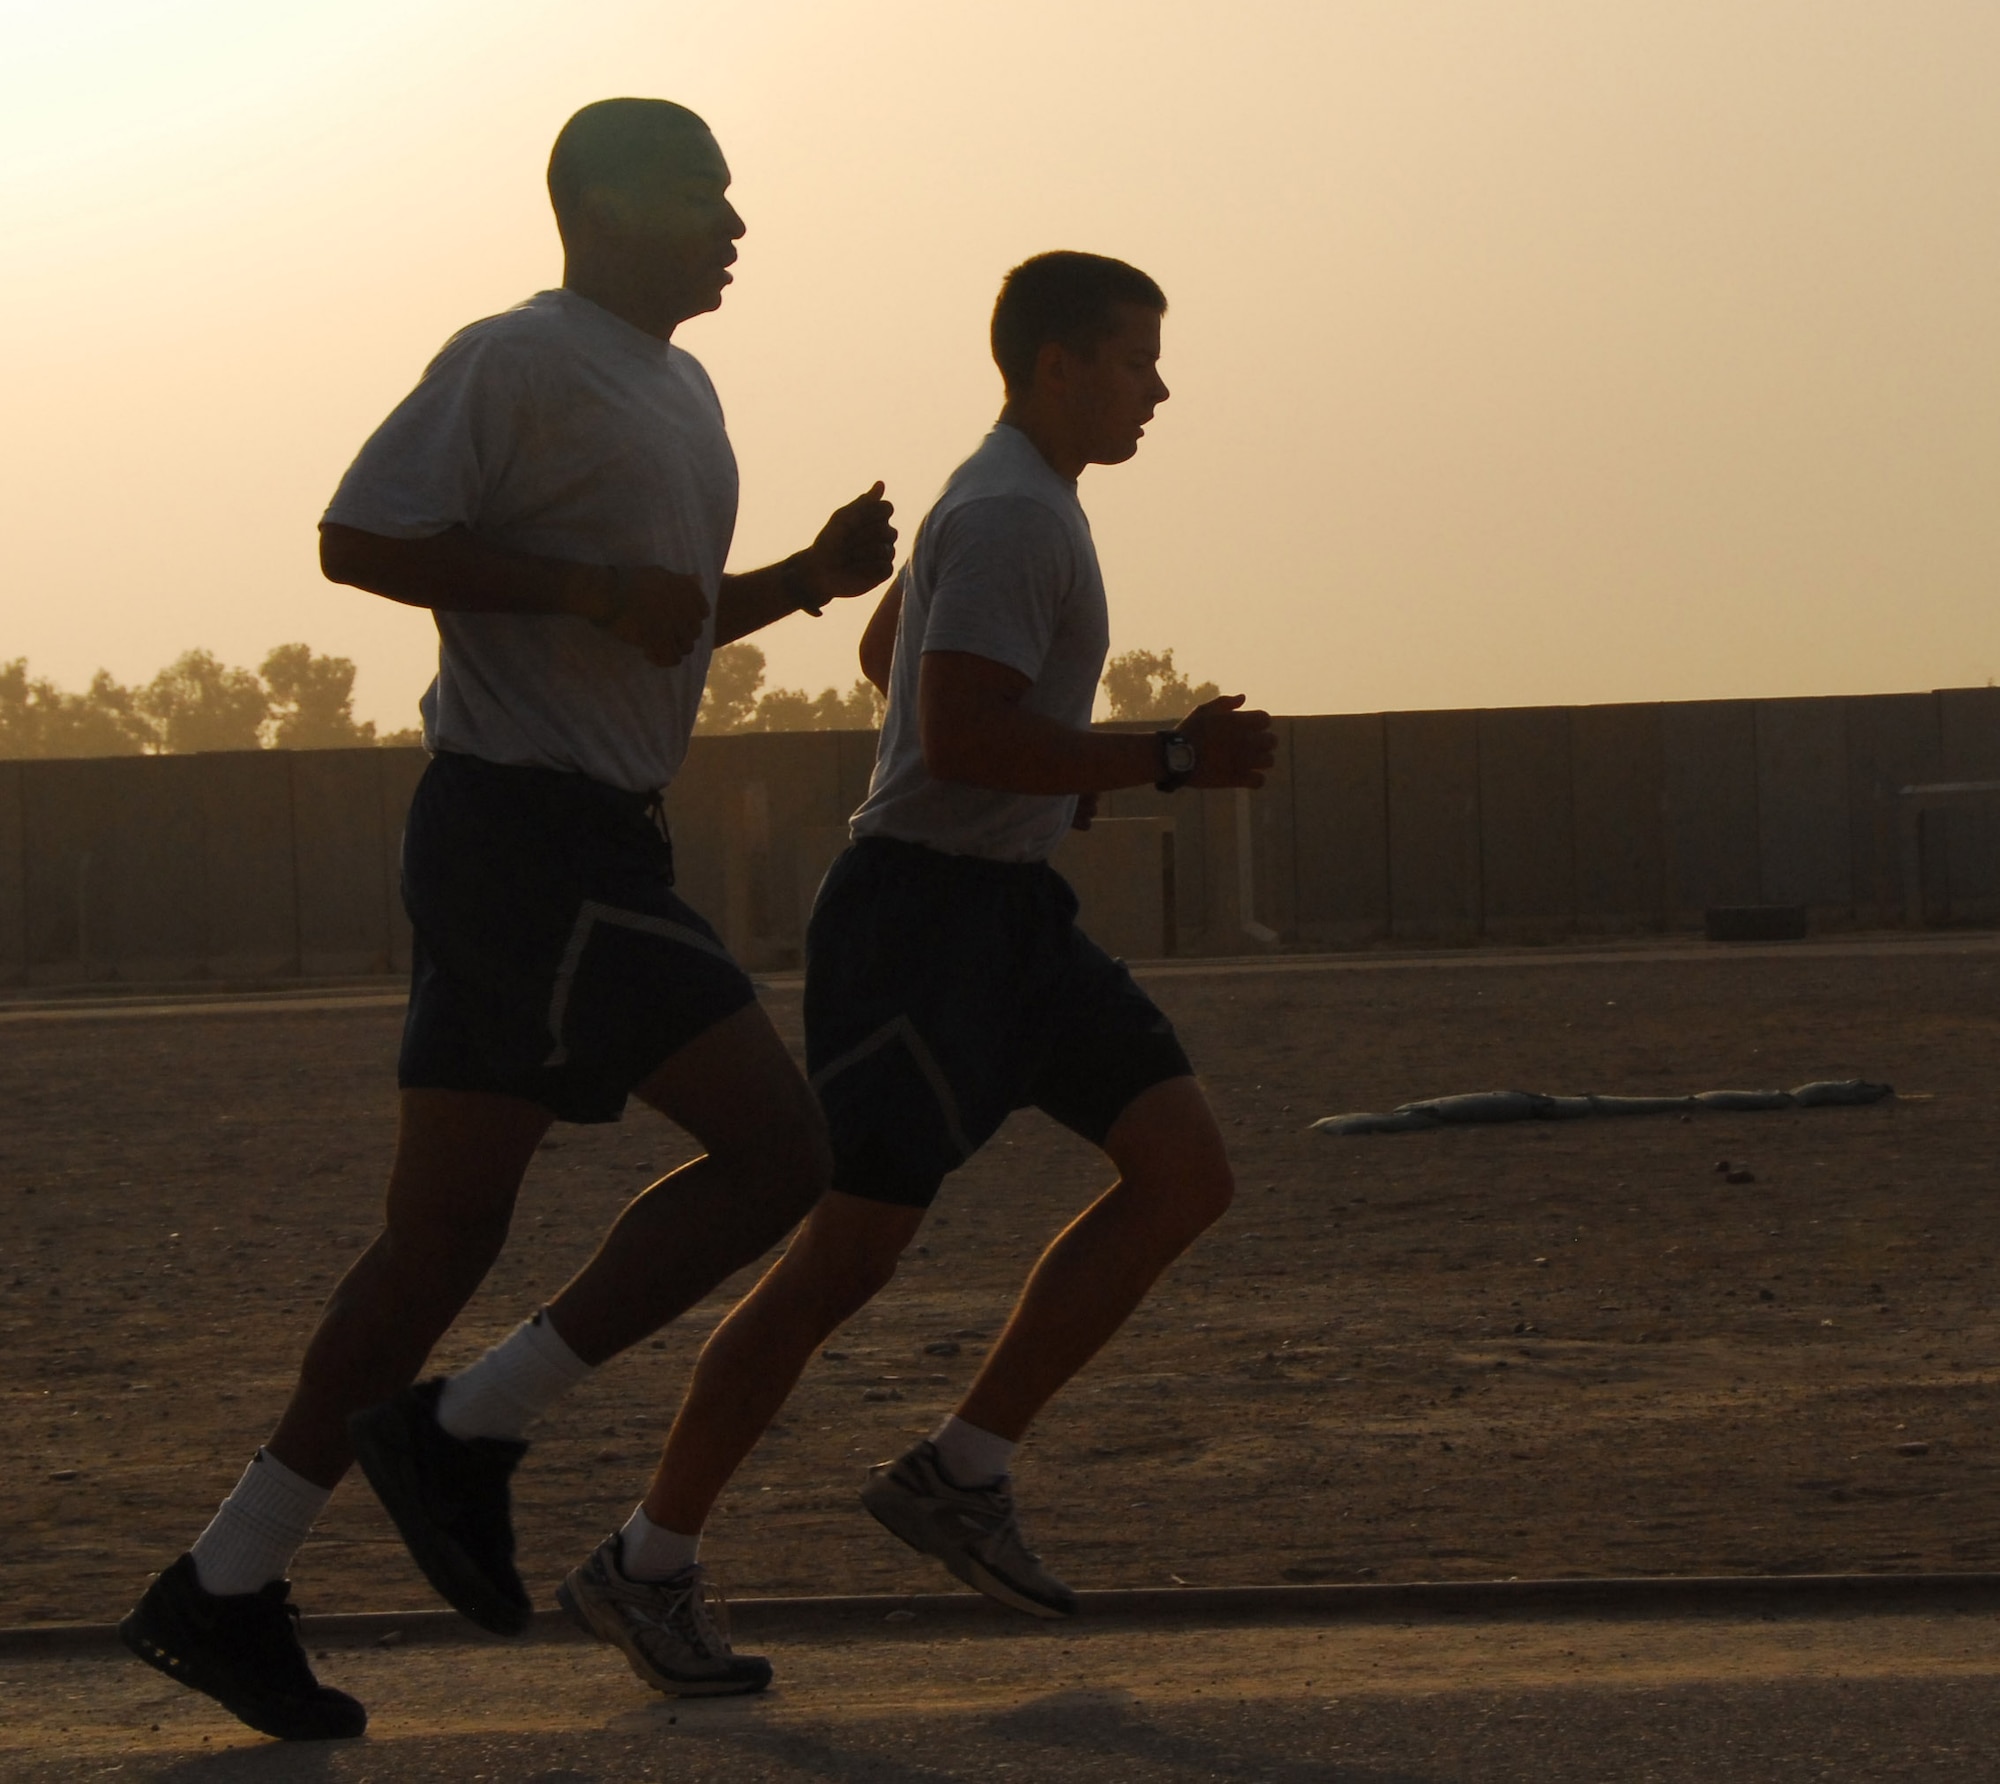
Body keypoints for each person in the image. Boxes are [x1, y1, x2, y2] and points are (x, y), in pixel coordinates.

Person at [117, 97, 895, 1741]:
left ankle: (225, 1585)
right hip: (534, 840)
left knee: (437, 1245)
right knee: (785, 1156)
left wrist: (801, 584)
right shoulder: (519, 357)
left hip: (568, 833)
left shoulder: (680, 388)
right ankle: (469, 1430)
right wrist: (586, 591)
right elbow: (358, 537)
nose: (737, 225)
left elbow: (656, 631)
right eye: (706, 194)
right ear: (604, 205)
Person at [593, 249, 1275, 1649]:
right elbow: (956, 728)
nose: (1160, 387)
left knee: (1183, 1172)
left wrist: (1052, 772)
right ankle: (647, 1560)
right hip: (918, 926)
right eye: (1137, 357)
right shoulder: (1020, 513)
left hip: (1011, 915)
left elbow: (889, 660)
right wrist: (1167, 757)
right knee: (843, 1261)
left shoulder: (1007, 498)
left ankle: (963, 1470)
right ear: (1056, 366)